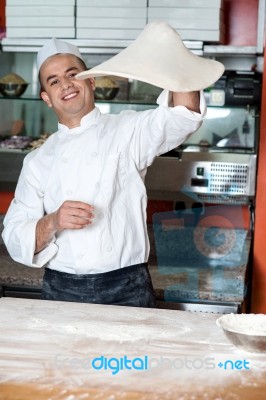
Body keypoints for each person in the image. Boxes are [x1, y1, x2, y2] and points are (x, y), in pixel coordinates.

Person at [2, 23, 223, 307]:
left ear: (91, 82)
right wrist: (52, 221)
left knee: (129, 355)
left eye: (73, 75)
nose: (66, 84)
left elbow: (181, 117)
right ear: (46, 97)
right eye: (54, 81)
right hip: (62, 289)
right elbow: (14, 235)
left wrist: (176, 59)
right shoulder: (37, 161)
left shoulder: (127, 130)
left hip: (127, 285)